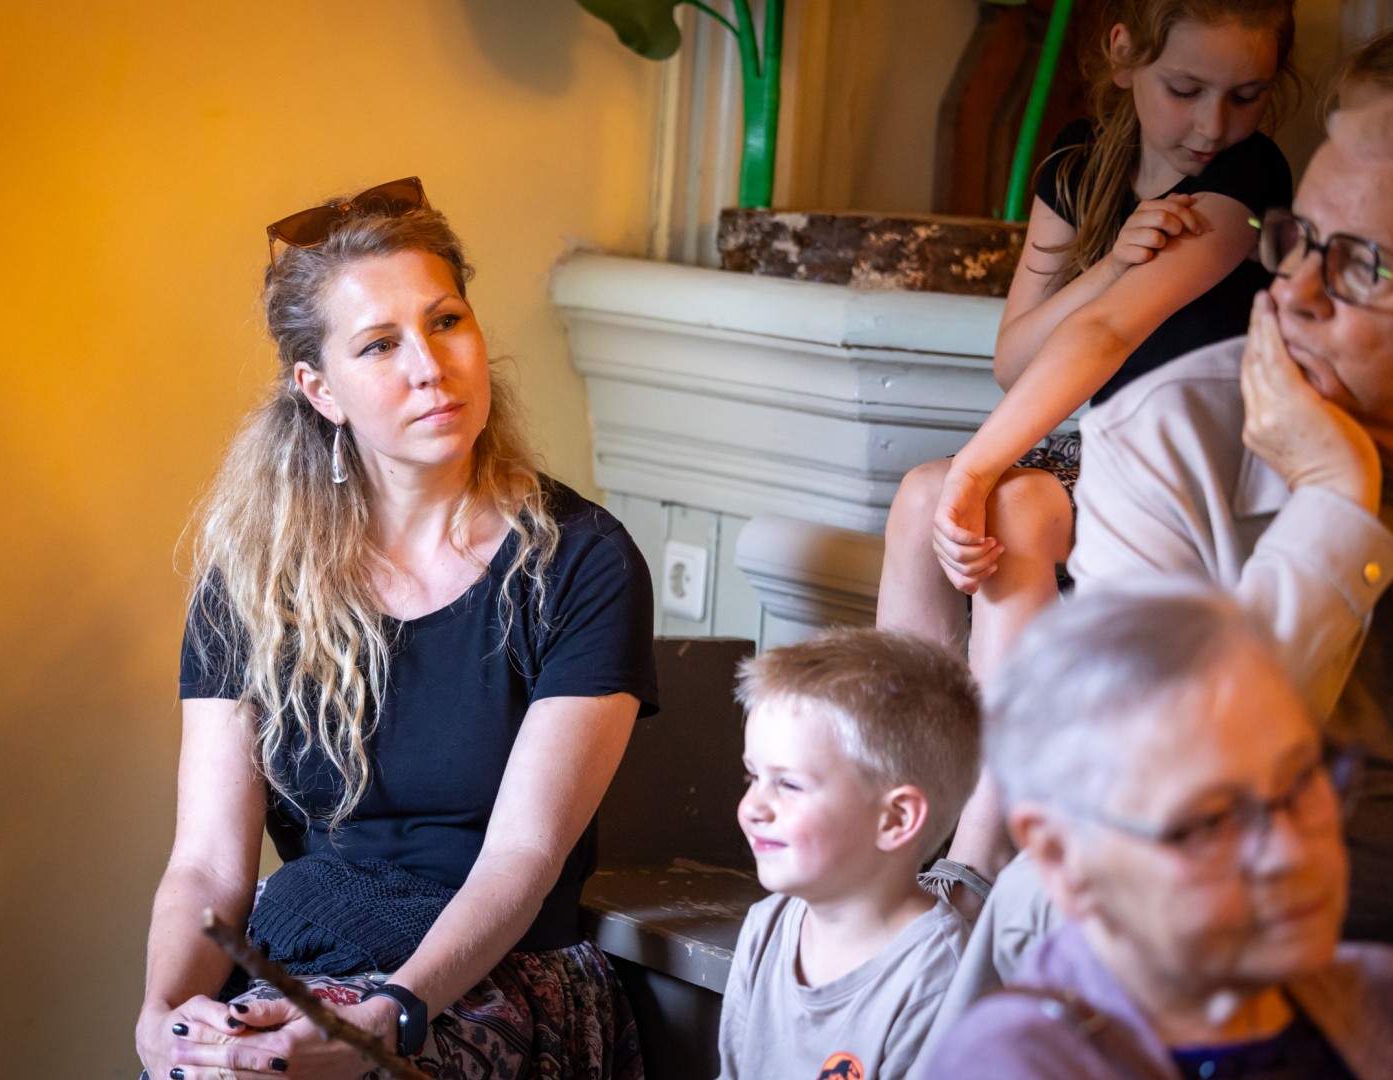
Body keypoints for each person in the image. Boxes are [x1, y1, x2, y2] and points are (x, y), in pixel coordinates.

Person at [134, 178, 658, 1080]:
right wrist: (163, 1020)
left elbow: (524, 858)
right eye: (380, 344)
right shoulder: (252, 578)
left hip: (493, 975)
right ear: (320, 389)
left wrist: (385, 1019)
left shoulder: (583, 560)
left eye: (446, 321)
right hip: (305, 951)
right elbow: (208, 865)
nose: (430, 364)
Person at [878, 0, 1295, 884]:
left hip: (1203, 464)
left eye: (1246, 95)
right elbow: (1014, 357)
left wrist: (981, 467)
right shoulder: (1075, 167)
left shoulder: (1248, 178)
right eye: (1185, 89)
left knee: (1018, 506)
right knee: (921, 496)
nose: (1212, 124)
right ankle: (892, 826)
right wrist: (1110, 262)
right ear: (1123, 55)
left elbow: (1109, 333)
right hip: (1103, 450)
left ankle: (984, 852)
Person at [1068, 88, 1393, 947]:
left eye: (1365, 267)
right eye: (1300, 241)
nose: (1293, 294)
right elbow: (1155, 797)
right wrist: (1332, 502)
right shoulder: (1166, 433)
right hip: (1222, 968)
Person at [922, 589, 1393, 1080]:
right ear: (1061, 857)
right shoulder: (1011, 1066)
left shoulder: (1388, 990)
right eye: (1212, 821)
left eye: (1302, 780)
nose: (1291, 853)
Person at [716, 627, 981, 1080]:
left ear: (895, 819)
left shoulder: (939, 980)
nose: (752, 807)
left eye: (788, 784)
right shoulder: (766, 928)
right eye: (753, 777)